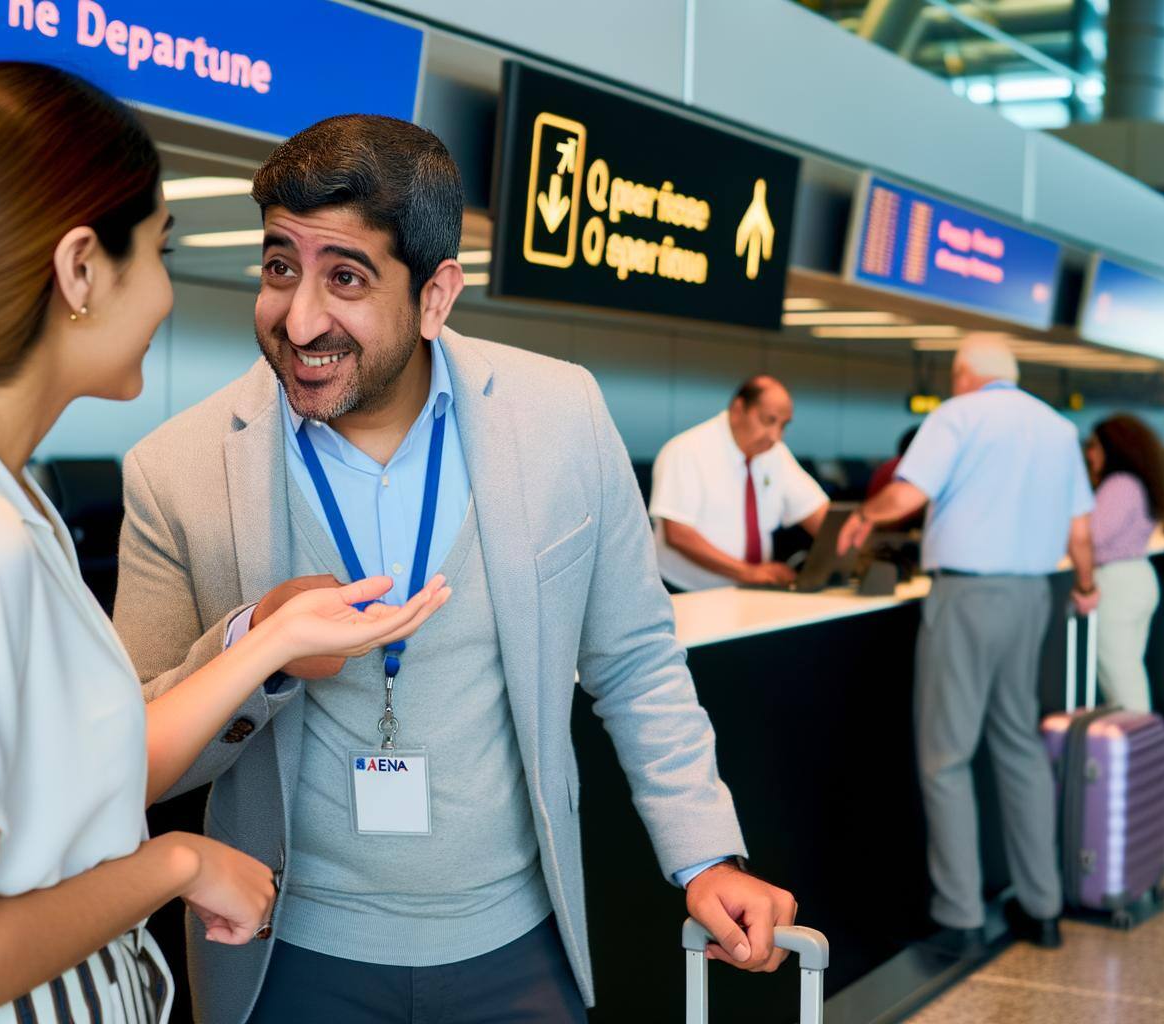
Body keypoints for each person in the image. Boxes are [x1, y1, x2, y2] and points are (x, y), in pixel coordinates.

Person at [0, 64, 448, 1024]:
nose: (164, 294)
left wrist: (273, 640)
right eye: (156, 250)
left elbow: (90, 767)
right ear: (80, 270)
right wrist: (175, 862)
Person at [111, 114, 797, 1024]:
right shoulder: (177, 468)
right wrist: (256, 647)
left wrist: (707, 853)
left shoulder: (560, 417)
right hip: (287, 957)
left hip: (516, 948)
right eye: (281, 266)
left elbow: (635, 659)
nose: (298, 316)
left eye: (345, 277)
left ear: (436, 296)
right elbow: (134, 748)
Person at [837, 334, 1097, 953]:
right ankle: (1043, 909)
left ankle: (961, 917)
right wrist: (1085, 586)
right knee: (1019, 746)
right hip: (1034, 596)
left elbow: (907, 494)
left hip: (967, 597)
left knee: (946, 757)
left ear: (963, 374)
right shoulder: (1059, 429)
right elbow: (1080, 529)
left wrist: (863, 516)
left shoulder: (956, 415)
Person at [650, 376, 830, 591]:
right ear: (738, 409)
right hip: (685, 591)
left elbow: (821, 516)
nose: (775, 436)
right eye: (768, 420)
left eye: (783, 425)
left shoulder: (774, 453)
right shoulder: (686, 450)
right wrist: (749, 572)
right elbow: (678, 535)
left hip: (746, 590)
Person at [1087, 414, 1164, 713]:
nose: (1090, 454)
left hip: (1118, 583)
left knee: (1121, 677)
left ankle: (1135, 749)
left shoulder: (1119, 484)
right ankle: (1139, 747)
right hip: (1135, 578)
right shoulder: (1136, 483)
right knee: (1128, 669)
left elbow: (1092, 537)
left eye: (1095, 446)